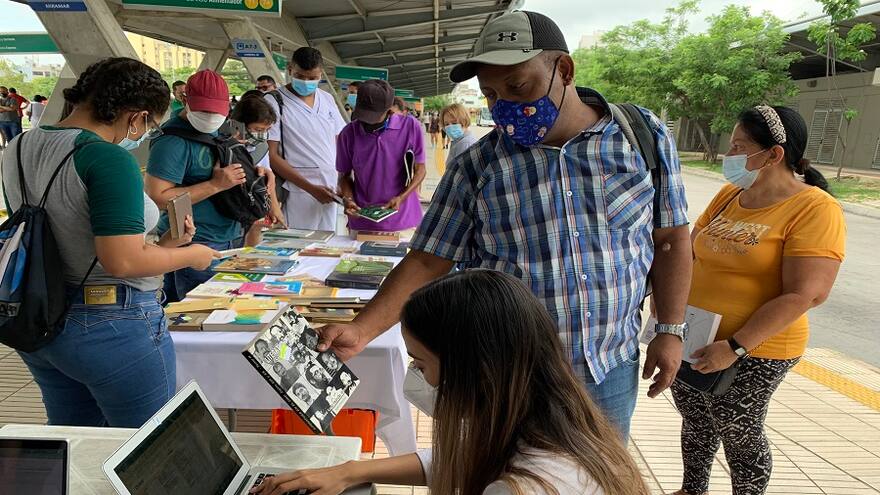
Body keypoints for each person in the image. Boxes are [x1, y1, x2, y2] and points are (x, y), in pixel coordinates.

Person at [317, 11, 691, 441]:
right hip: (510, 376)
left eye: (518, 87)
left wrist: (670, 330)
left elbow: (671, 241)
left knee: (598, 483)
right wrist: (362, 329)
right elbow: (426, 262)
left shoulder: (641, 136)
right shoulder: (478, 166)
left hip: (609, 369)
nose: (505, 106)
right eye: (492, 94)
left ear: (563, 70)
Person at [254, 270, 649, 495]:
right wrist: (351, 471)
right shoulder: (560, 426)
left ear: (477, 372)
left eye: (422, 366)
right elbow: (457, 456)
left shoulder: (521, 488)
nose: (418, 380)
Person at [0, 57, 219, 428]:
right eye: (149, 124)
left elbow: (65, 233)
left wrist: (165, 243)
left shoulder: (20, 145)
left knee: (76, 446)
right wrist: (192, 256)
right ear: (135, 116)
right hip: (112, 325)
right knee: (146, 448)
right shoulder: (107, 158)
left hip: (40, 319)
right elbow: (123, 262)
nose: (144, 133)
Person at [669, 106, 846, 495]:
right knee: (695, 415)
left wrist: (734, 347)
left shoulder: (815, 208)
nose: (730, 155)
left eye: (739, 146)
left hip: (759, 347)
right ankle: (691, 490)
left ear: (773, 154)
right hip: (697, 331)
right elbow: (690, 252)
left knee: (737, 424)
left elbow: (807, 293)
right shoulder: (731, 194)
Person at [146, 69, 248, 302]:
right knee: (202, 316)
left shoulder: (220, 131)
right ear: (184, 100)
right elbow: (158, 197)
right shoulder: (171, 141)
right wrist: (215, 185)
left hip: (231, 236)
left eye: (217, 111)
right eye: (204, 110)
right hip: (195, 241)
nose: (211, 116)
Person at [264, 47, 347, 231]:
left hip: (331, 188)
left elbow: (340, 141)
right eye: (300, 76)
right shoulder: (274, 102)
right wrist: (310, 188)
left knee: (327, 247)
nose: (306, 82)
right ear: (290, 69)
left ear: (320, 74)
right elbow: (271, 155)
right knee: (298, 245)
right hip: (297, 191)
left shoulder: (327, 99)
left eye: (312, 78)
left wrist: (342, 181)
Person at [337, 80, 426, 234]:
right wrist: (349, 200)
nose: (367, 122)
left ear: (388, 109)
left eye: (373, 117)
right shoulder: (348, 133)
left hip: (403, 220)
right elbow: (344, 176)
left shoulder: (411, 127)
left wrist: (402, 197)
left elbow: (421, 170)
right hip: (362, 220)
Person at [227, 92, 287, 246]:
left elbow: (268, 181)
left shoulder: (260, 147)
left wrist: (274, 209)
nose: (262, 135)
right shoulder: (222, 146)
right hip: (227, 218)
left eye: (266, 130)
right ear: (237, 124)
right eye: (258, 129)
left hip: (249, 216)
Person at [440, 103, 479, 173]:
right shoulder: (458, 141)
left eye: (454, 123)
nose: (450, 127)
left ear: (464, 121)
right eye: (446, 124)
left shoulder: (465, 143)